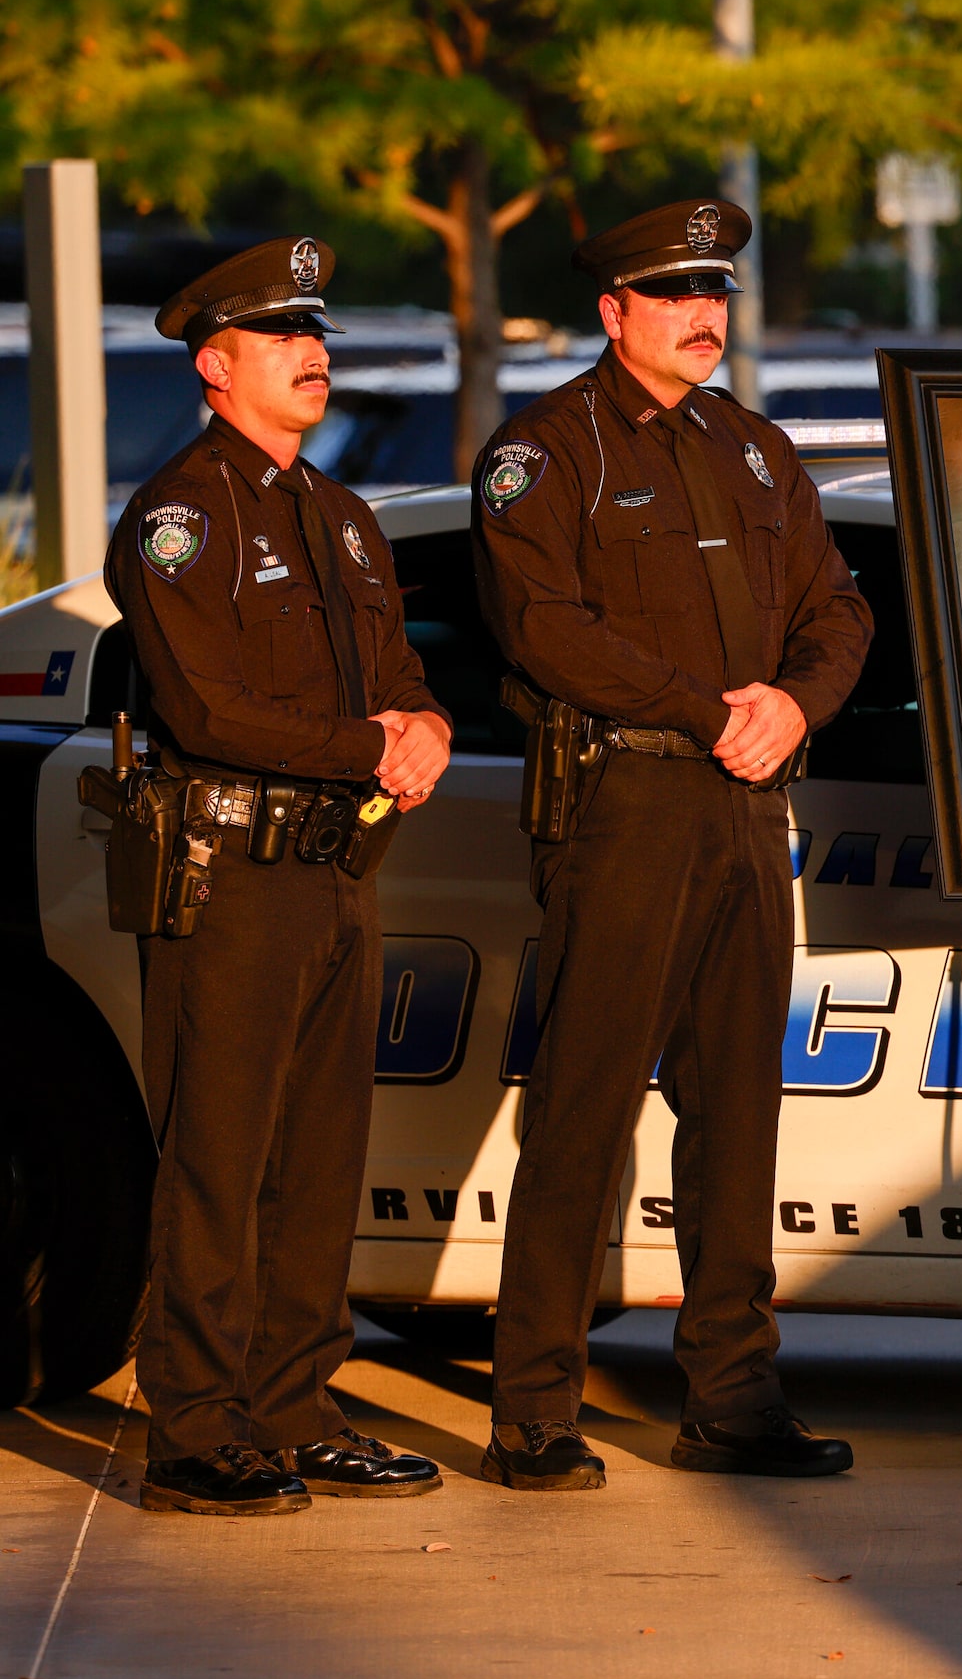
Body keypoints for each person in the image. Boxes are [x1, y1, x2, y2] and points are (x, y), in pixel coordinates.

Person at [471, 198, 872, 1490]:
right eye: (676, 293)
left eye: (718, 292)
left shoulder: (755, 453)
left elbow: (840, 607)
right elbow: (548, 631)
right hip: (624, 804)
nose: (707, 314)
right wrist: (713, 710)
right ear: (614, 311)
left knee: (739, 1116)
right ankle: (533, 1406)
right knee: (584, 1109)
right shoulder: (548, 454)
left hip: (748, 810)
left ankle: (733, 1398)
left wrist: (794, 703)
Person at [110, 238, 452, 1515]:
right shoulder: (180, 517)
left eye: (317, 334)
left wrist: (423, 727)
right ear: (216, 363)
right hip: (230, 874)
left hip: (334, 872)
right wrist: (371, 744)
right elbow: (206, 710)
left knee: (318, 1161)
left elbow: (398, 675)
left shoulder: (339, 512)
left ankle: (298, 1408)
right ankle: (195, 1431)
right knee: (217, 1160)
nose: (315, 355)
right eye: (283, 337)